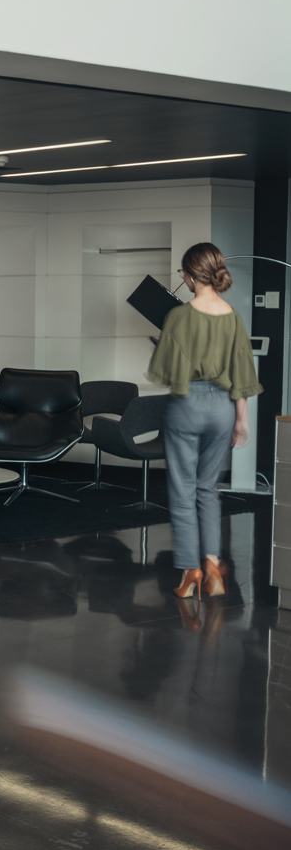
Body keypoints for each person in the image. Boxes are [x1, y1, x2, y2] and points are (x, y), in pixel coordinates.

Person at [147, 242, 262, 601]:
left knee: (182, 493)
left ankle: (190, 569)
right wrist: (241, 421)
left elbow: (164, 372)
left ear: (191, 275)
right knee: (207, 489)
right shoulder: (232, 317)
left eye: (183, 273)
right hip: (224, 409)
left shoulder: (179, 317)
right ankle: (213, 563)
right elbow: (243, 374)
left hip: (187, 403)